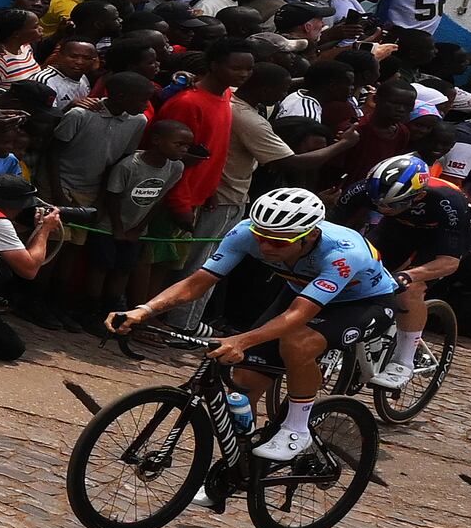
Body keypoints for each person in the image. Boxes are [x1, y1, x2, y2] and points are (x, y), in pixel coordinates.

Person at [108, 182, 406, 463]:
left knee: (297, 341)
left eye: (278, 242)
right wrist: (144, 310)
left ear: (310, 236)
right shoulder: (246, 233)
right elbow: (197, 283)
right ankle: (241, 466)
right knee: (244, 383)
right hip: (301, 288)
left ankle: (298, 429)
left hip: (364, 302)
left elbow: (297, 316)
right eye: (261, 237)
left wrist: (241, 340)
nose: (266, 247)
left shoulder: (342, 253)